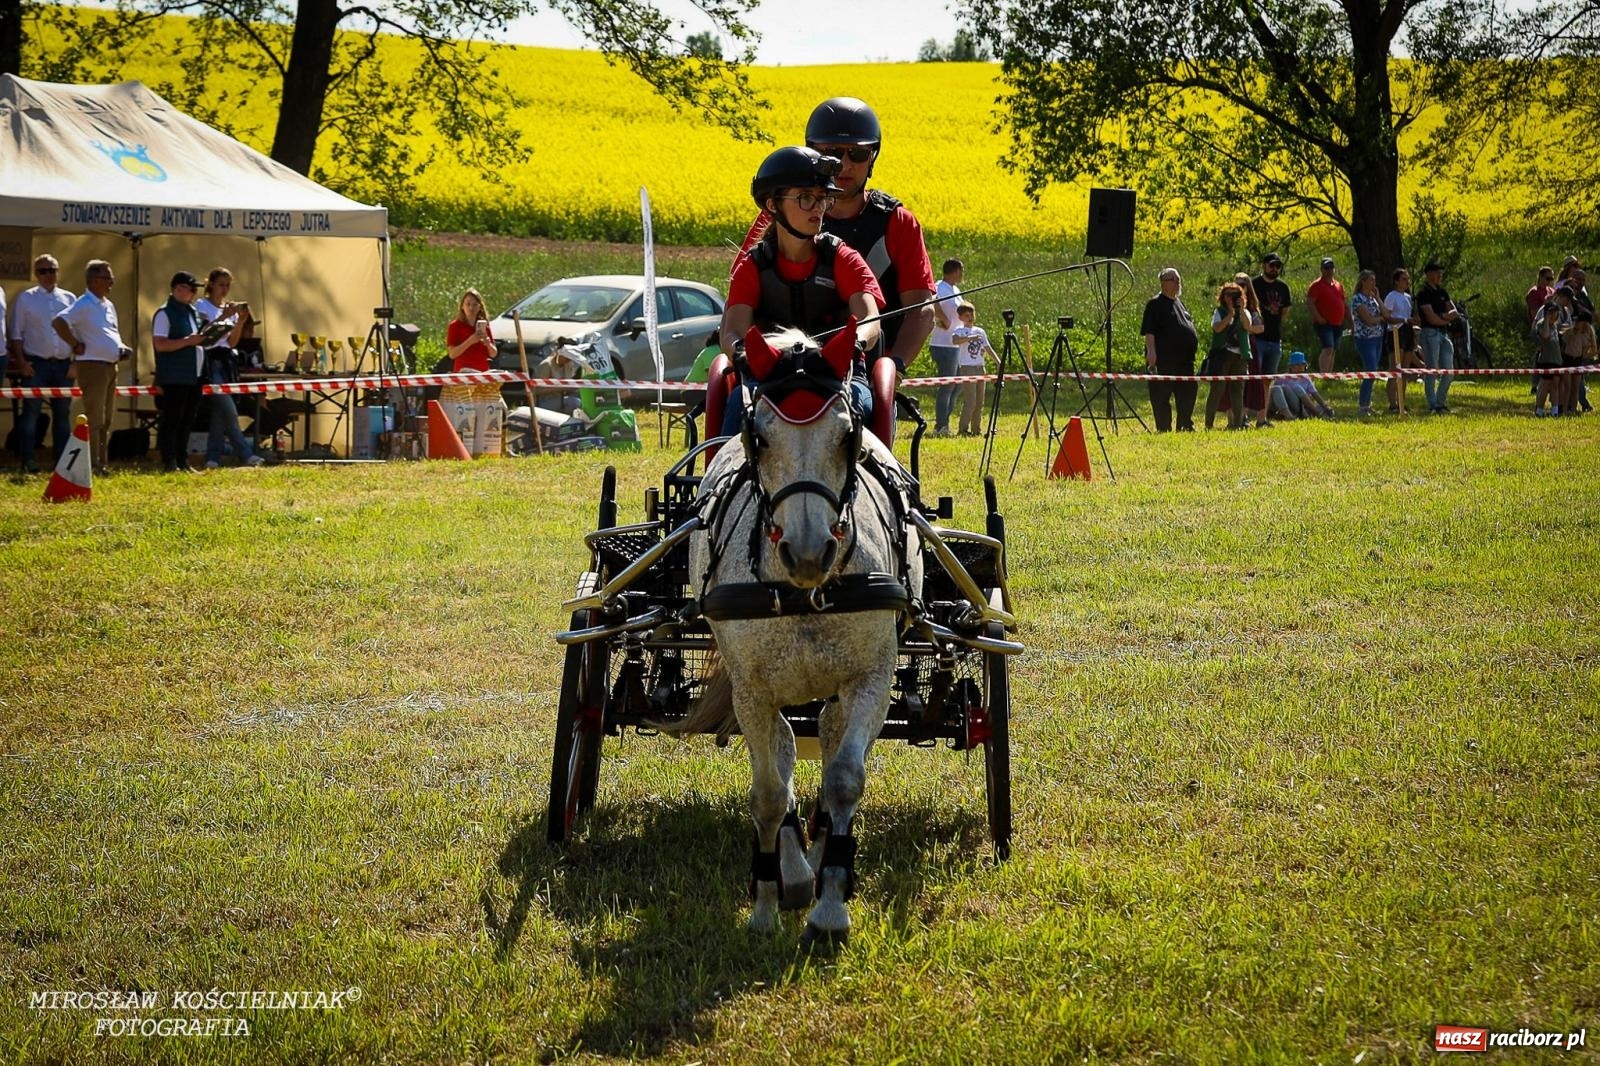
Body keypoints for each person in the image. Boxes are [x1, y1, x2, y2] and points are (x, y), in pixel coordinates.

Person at [720, 146, 884, 436]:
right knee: (737, 405)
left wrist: (855, 342)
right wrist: (740, 351)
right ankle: (726, 480)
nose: (819, 209)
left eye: (823, 199)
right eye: (806, 198)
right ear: (772, 205)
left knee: (862, 407)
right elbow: (731, 330)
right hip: (771, 376)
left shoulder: (843, 258)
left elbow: (870, 318)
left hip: (837, 373)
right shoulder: (753, 267)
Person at [49, 260, 129, 475]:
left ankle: (101, 463)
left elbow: (109, 332)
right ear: (94, 280)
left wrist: (120, 348)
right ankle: (91, 465)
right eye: (107, 278)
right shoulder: (84, 303)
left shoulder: (107, 304)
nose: (112, 282)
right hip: (93, 366)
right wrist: (75, 344)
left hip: (110, 366)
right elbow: (58, 322)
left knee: (107, 419)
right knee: (95, 419)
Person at [10, 254, 77, 472]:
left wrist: (75, 363)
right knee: (30, 413)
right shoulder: (25, 298)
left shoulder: (70, 298)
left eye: (52, 270)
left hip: (63, 365)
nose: (48, 275)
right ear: (36, 274)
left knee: (63, 415)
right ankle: (28, 460)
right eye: (43, 271)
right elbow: (16, 334)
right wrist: (22, 363)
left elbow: (78, 333)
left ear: (58, 271)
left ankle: (62, 463)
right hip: (36, 364)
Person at [195, 268, 265, 469]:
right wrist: (223, 317)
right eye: (221, 285)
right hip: (210, 359)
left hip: (227, 360)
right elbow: (204, 335)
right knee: (228, 409)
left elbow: (233, 343)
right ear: (211, 285)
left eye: (228, 285)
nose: (225, 289)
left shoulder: (230, 309)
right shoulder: (202, 305)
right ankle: (245, 453)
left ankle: (213, 457)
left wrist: (240, 321)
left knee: (220, 412)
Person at [150, 270, 209, 473]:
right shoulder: (164, 313)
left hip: (194, 374)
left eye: (194, 290)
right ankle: (169, 460)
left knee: (187, 420)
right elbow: (160, 345)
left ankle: (183, 460)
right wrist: (188, 341)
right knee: (172, 419)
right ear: (177, 289)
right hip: (175, 375)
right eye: (190, 289)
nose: (193, 293)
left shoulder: (191, 312)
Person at [1141, 267, 1199, 432]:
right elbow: (1149, 331)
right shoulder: (1155, 304)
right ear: (1163, 283)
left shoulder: (1179, 303)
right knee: (1161, 396)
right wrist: (1151, 352)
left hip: (1185, 362)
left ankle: (1185, 425)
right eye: (1172, 279)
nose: (1177, 282)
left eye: (1178, 278)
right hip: (1164, 360)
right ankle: (1163, 428)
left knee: (1188, 393)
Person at [1204, 282, 1255, 430]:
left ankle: (1237, 425)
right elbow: (1217, 328)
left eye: (1235, 294)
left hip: (1240, 356)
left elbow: (1247, 327)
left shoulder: (1245, 312)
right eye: (1228, 294)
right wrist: (1230, 314)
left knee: (1237, 391)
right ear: (1223, 297)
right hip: (1222, 355)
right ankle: (1209, 425)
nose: (1231, 297)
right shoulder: (1219, 312)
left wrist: (1240, 310)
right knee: (1217, 390)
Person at [1416, 261, 1460, 414]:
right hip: (1430, 333)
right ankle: (1433, 404)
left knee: (1449, 372)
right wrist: (1445, 318)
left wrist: (1442, 317)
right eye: (1436, 272)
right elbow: (1431, 318)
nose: (1439, 275)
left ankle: (1440, 402)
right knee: (1432, 370)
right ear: (1429, 274)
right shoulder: (1423, 294)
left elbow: (1453, 312)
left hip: (1443, 333)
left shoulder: (1443, 292)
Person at [949, 302, 997, 437]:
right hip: (967, 368)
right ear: (961, 317)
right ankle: (963, 429)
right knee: (970, 400)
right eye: (966, 315)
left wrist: (998, 361)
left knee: (979, 401)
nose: (970, 317)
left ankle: (976, 429)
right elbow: (955, 341)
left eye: (972, 314)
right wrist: (970, 337)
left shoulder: (980, 331)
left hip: (980, 367)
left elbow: (988, 348)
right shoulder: (959, 331)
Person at [929, 258, 964, 437]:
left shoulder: (955, 290)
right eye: (961, 271)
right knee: (947, 385)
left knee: (958, 386)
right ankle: (941, 426)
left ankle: (944, 421)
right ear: (955, 271)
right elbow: (931, 301)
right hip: (943, 344)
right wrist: (944, 318)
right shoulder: (939, 287)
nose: (962, 274)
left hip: (955, 344)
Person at [1382, 267, 1421, 413]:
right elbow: (1388, 317)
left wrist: (1414, 320)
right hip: (1396, 331)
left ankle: (1402, 402)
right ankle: (1392, 404)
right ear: (1396, 281)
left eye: (1408, 279)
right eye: (1404, 279)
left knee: (1404, 370)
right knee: (1395, 369)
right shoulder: (1391, 296)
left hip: (1407, 331)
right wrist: (1405, 319)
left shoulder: (1408, 297)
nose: (1407, 282)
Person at [1349, 269, 1386, 417]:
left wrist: (1378, 298)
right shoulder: (1358, 299)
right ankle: (1363, 405)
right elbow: (1368, 320)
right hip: (1365, 339)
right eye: (1370, 280)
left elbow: (1386, 313)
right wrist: (1380, 319)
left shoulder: (1372, 299)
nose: (1373, 283)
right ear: (1363, 281)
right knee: (1370, 369)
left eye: (1374, 280)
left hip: (1378, 338)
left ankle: (1367, 404)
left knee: (1373, 371)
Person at [1251, 252, 1292, 378]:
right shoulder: (1254, 285)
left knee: (1269, 378)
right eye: (1271, 265)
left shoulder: (1283, 287)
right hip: (1257, 338)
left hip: (1275, 339)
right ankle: (1254, 398)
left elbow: (1285, 311)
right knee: (1255, 376)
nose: (1274, 269)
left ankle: (1266, 398)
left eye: (1277, 266)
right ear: (1264, 266)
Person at [1306, 256, 1346, 374]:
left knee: (1333, 349)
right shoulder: (1316, 285)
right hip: (1324, 323)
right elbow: (1310, 303)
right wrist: (1318, 318)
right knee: (1328, 347)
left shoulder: (1338, 285)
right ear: (1322, 269)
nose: (1329, 270)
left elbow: (1343, 303)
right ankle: (1324, 373)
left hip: (1337, 322)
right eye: (1326, 268)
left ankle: (1329, 374)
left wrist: (1350, 320)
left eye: (1331, 268)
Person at [1270, 351, 1335, 420]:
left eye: (1303, 364)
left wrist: (1326, 406)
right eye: (1297, 364)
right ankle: (1287, 414)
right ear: (1291, 366)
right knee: (1279, 388)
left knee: (1297, 388)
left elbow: (1315, 394)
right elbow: (1273, 395)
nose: (1301, 367)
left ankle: (1315, 412)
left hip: (1302, 406)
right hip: (1286, 404)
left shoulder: (1306, 378)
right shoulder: (1282, 378)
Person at [1559, 307, 1597, 417]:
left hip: (1578, 361)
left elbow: (1586, 352)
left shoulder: (1586, 335)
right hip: (1568, 360)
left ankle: (1573, 409)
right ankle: (1565, 409)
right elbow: (1564, 339)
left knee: (1576, 387)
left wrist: (1589, 350)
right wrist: (1574, 331)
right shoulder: (1571, 332)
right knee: (1567, 386)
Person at [446, 289, 495, 372]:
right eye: (468, 304)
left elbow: (493, 354)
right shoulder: (455, 326)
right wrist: (470, 341)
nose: (471, 308)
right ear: (462, 306)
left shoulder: (484, 326)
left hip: (482, 374)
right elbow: (452, 354)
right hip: (463, 374)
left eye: (475, 304)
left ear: (480, 307)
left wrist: (488, 344)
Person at [1533, 300, 1565, 416]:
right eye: (1551, 312)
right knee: (1544, 386)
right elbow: (1545, 335)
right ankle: (1539, 410)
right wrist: (1546, 318)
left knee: (1555, 385)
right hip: (1546, 360)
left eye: (1556, 313)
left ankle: (1555, 411)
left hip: (1556, 360)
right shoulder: (1542, 324)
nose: (1554, 315)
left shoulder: (1555, 326)